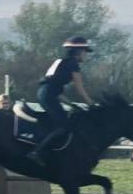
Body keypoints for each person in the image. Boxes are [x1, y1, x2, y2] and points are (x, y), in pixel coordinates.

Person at [27, 36, 94, 165]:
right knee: (65, 126)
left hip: (45, 93)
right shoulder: (73, 64)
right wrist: (90, 103)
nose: (85, 55)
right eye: (85, 51)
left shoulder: (60, 61)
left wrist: (70, 104)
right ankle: (37, 152)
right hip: (48, 95)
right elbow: (80, 88)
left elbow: (53, 88)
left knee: (57, 122)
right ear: (78, 51)